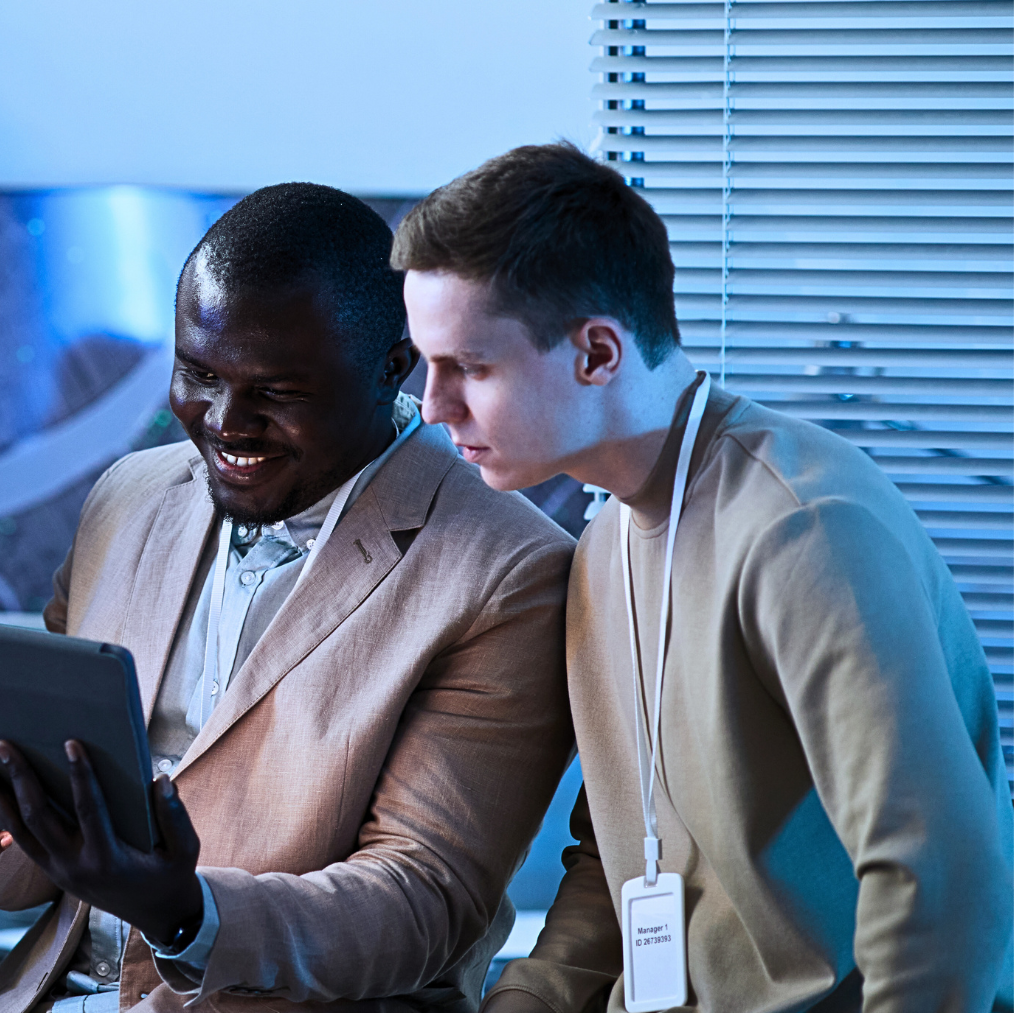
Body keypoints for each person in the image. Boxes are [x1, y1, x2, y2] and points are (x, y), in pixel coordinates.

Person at [0, 184, 577, 1013]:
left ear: (391, 366)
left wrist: (183, 911)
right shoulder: (129, 495)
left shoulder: (512, 570)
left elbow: (421, 900)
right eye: (198, 373)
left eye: (278, 393)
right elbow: (46, 818)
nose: (226, 420)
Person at [392, 143, 1014, 1012]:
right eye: (427, 364)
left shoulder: (803, 530)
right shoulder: (603, 542)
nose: (433, 403)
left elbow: (938, 881)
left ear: (598, 353)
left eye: (471, 366)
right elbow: (620, 863)